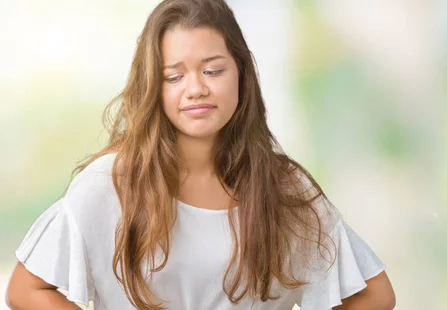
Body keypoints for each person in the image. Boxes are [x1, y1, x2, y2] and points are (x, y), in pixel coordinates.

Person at [5, 0, 396, 309]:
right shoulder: (109, 183)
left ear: (241, 73)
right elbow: (26, 290)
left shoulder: (284, 189)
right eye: (174, 76)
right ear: (153, 88)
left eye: (212, 71)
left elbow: (374, 295)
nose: (195, 89)